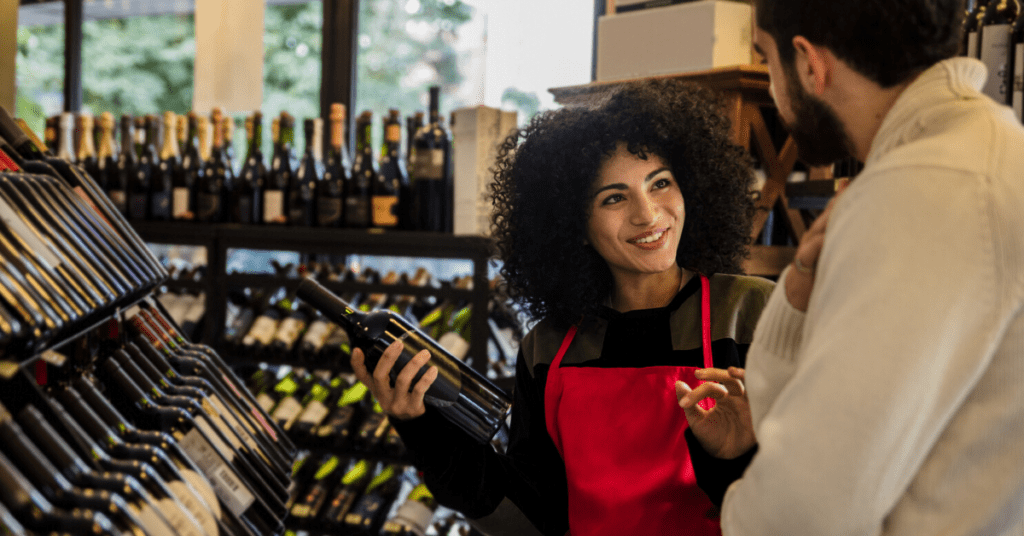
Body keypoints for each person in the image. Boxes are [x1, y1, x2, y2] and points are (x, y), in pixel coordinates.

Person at [349, 79, 774, 536]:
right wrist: (422, 430)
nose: (649, 214)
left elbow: (819, 501)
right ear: (573, 225)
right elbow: (528, 520)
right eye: (614, 197)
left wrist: (738, 458)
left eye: (661, 183)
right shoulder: (548, 348)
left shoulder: (750, 314)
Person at [676, 0, 1024, 534]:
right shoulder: (987, 153)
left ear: (810, 63)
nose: (772, 87)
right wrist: (797, 294)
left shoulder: (923, 189)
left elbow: (805, 510)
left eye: (766, 61)